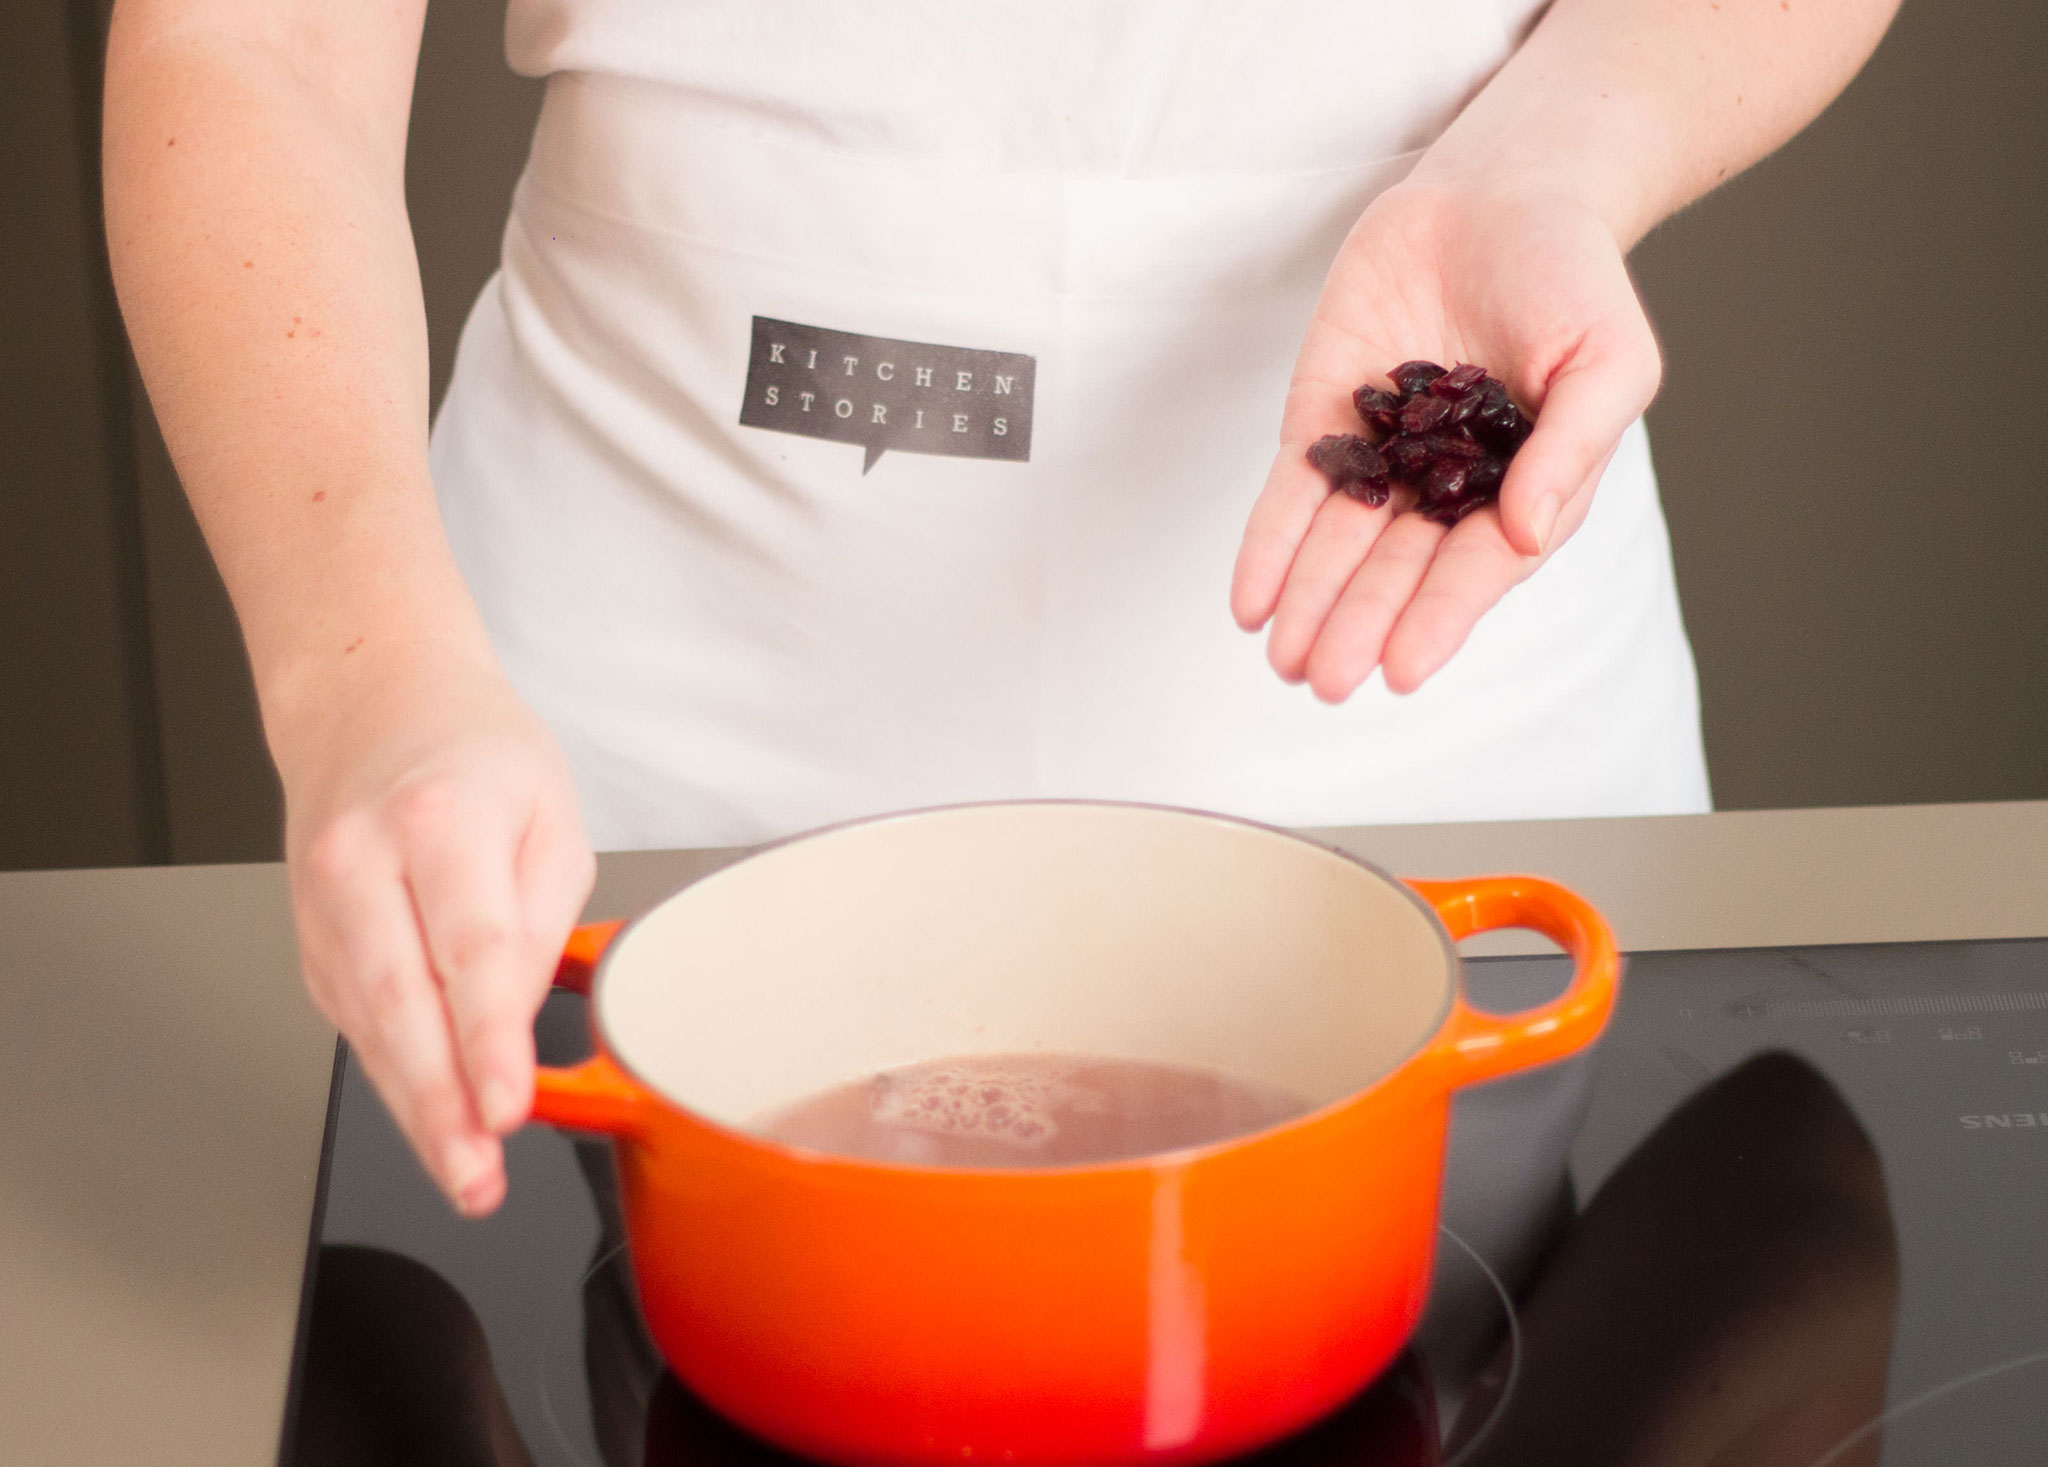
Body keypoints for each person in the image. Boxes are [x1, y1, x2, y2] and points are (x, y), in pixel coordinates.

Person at [104, 0, 1900, 1214]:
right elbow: (250, 40)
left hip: (1450, 743)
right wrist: (364, 673)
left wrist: (1553, 162)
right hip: (624, 768)